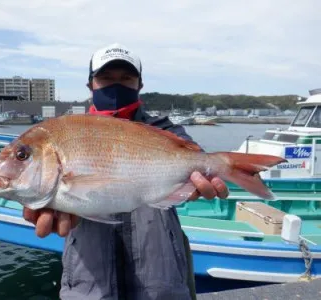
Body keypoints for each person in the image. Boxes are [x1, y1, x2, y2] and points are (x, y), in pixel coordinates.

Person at [23, 43, 229, 300]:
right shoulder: (67, 132)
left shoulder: (165, 130)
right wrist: (46, 203)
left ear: (139, 85)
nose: (116, 85)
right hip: (89, 282)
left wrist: (204, 178)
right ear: (91, 86)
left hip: (161, 278)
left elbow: (194, 157)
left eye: (126, 78)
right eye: (106, 78)